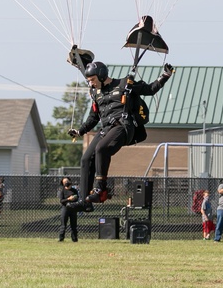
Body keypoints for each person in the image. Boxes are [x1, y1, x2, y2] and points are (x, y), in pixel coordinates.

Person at [68, 61, 174, 209]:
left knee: (101, 148)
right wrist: (80, 131)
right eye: (89, 81)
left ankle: (101, 189)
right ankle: (85, 202)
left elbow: (149, 89)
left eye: (92, 80)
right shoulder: (95, 93)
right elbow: (93, 117)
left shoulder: (125, 84)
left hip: (123, 126)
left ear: (101, 76)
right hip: (106, 129)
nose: (90, 84)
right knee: (86, 159)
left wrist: (165, 75)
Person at [58, 177, 80, 242]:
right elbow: (61, 201)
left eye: (67, 181)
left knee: (73, 225)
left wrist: (74, 198)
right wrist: (68, 199)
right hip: (65, 208)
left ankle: (74, 239)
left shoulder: (74, 190)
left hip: (73, 208)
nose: (66, 183)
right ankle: (61, 238)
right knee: (63, 225)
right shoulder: (62, 191)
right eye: (64, 182)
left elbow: (77, 198)